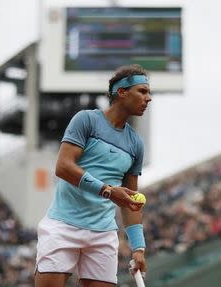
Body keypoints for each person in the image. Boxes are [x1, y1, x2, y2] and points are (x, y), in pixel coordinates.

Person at [35, 64, 152, 287]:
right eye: (142, 91)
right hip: (62, 225)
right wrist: (107, 191)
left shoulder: (136, 143)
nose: (149, 98)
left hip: (103, 234)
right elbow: (63, 167)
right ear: (122, 92)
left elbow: (131, 201)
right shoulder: (86, 120)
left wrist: (138, 248)